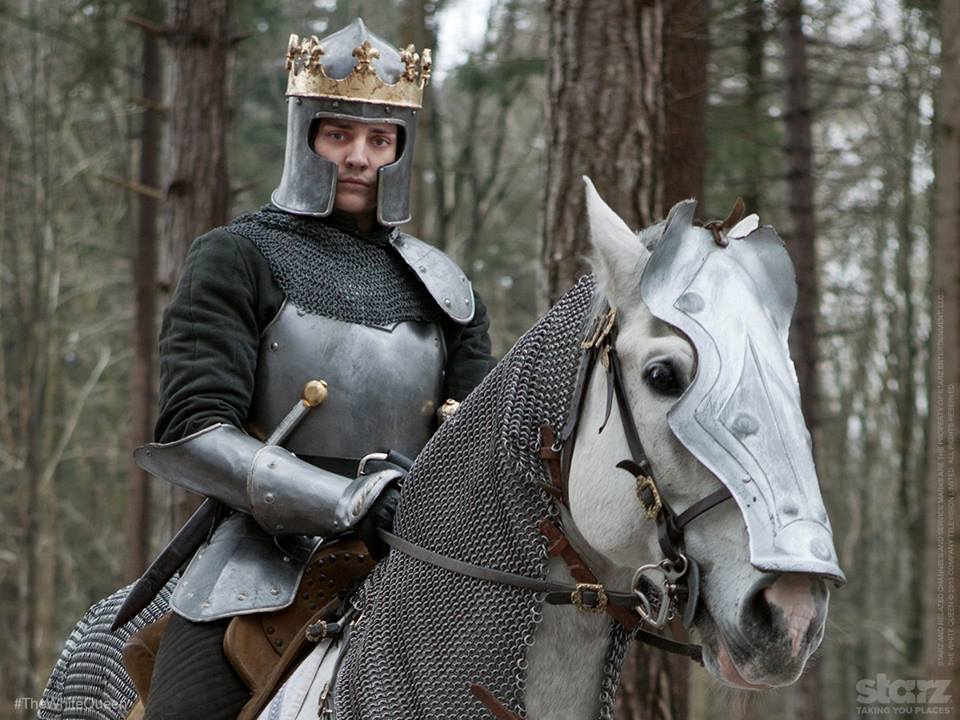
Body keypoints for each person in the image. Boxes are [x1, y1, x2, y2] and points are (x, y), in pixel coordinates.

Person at [138, 18, 495, 720]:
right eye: (338, 135)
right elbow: (195, 432)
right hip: (262, 560)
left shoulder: (445, 288)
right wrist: (354, 501)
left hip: (419, 561)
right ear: (306, 135)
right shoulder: (235, 256)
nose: (359, 157)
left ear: (401, 149)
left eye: (380, 140)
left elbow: (480, 448)